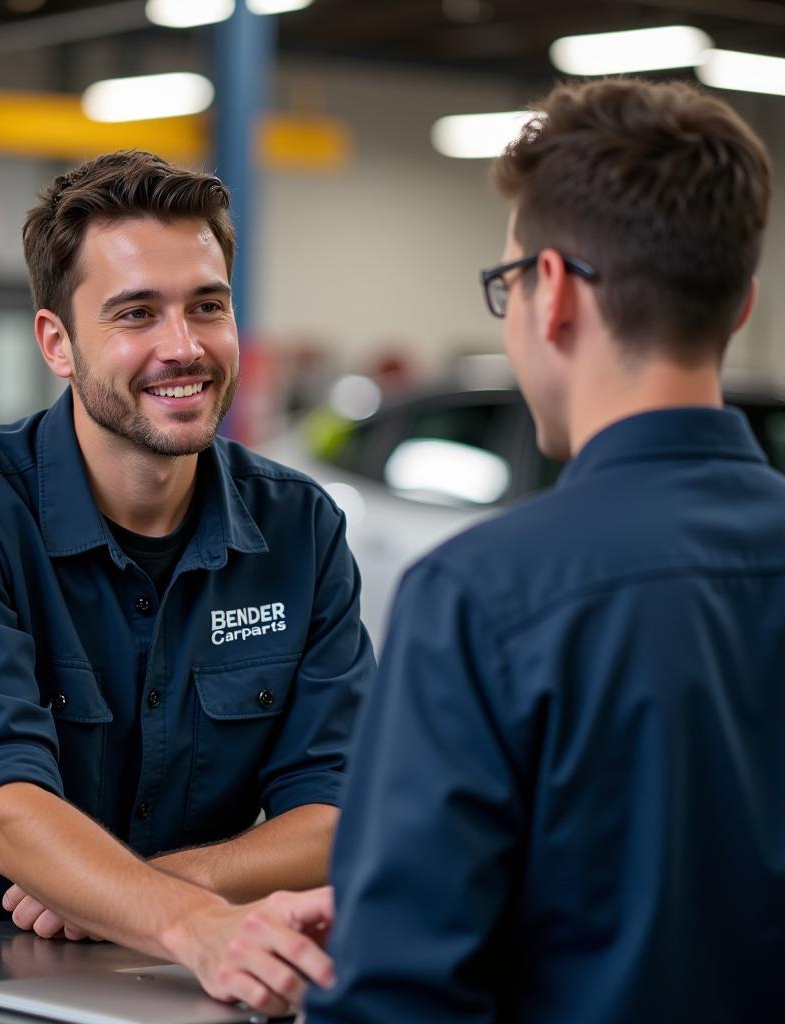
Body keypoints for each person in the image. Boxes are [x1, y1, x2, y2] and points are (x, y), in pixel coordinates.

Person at [0, 150, 373, 1015]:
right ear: (58, 344)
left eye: (207, 306)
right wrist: (186, 920)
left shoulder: (299, 530)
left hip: (163, 972)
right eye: (136, 313)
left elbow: (337, 811)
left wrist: (146, 896)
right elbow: (2, 802)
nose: (182, 347)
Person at [306, 77, 783, 1022]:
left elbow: (398, 998)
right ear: (737, 306)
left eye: (507, 284)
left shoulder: (481, 597)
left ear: (553, 292)